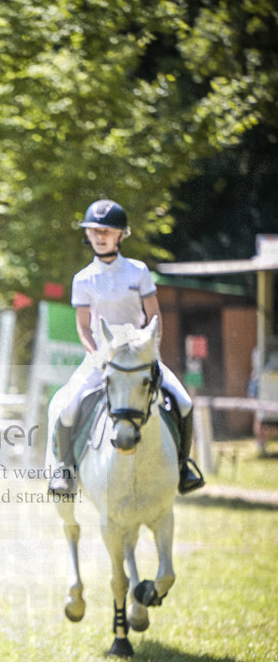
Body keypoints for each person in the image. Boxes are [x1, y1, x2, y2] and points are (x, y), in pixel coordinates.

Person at [47, 199, 205, 494]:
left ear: (121, 235)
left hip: (139, 354)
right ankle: (65, 471)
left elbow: (153, 316)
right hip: (101, 357)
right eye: (94, 231)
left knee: (183, 402)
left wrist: (150, 351)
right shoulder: (82, 279)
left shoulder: (138, 271)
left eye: (107, 231)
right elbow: (83, 326)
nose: (99, 236)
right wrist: (97, 355)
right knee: (67, 408)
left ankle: (183, 468)